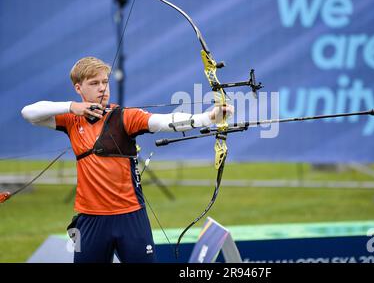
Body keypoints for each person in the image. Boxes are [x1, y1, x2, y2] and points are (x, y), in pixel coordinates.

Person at [21, 56, 233, 263]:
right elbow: (28, 113)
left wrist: (208, 118)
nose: (102, 88)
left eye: (105, 82)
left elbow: (164, 121)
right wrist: (71, 107)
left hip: (130, 216)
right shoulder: (71, 120)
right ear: (79, 88)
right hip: (89, 218)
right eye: (94, 83)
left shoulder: (125, 116)